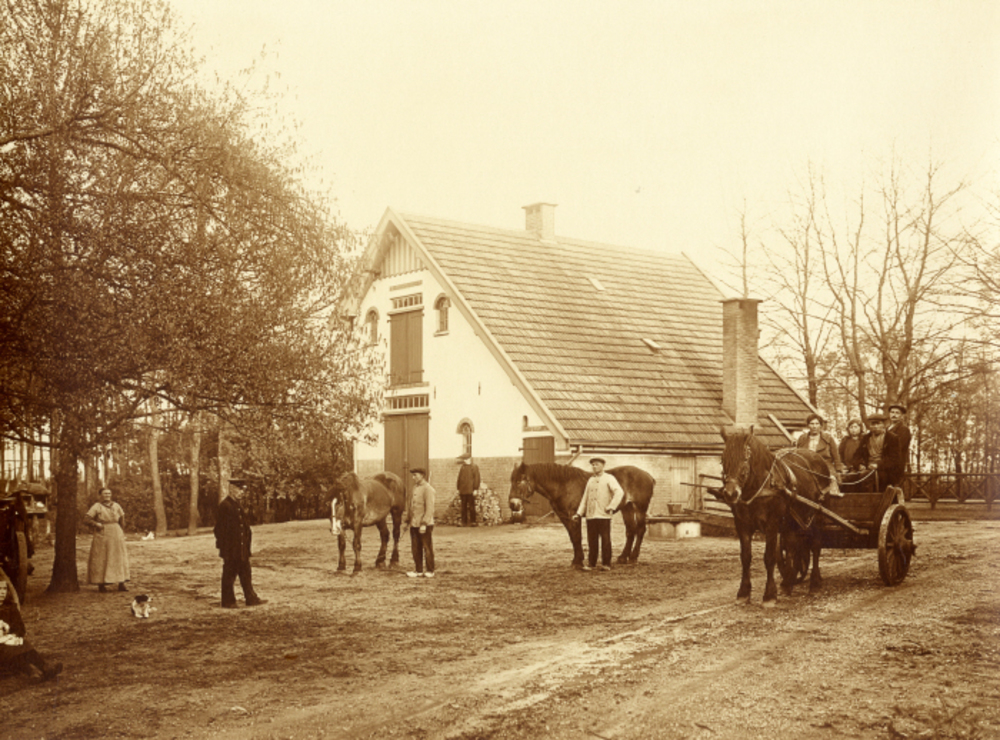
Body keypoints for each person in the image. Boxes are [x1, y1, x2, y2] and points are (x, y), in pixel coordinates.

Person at [214, 479, 267, 609]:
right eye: (239, 490)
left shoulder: (237, 505)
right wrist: (226, 548)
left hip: (241, 548)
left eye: (243, 490)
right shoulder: (225, 506)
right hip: (232, 549)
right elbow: (220, 530)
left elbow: (243, 528)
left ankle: (251, 598)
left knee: (246, 573)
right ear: (232, 489)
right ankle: (228, 601)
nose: (242, 493)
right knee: (229, 575)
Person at [1, 571, 62, 682]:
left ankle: (44, 668)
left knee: (21, 643)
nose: (2, 592)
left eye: (4, 589)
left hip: (9, 639)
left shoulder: (10, 607)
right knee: (10, 649)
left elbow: (20, 628)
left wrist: (13, 636)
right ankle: (32, 672)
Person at [572, 458, 625, 572]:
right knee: (592, 541)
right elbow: (585, 498)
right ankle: (592, 564)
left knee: (605, 540)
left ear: (603, 465)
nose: (594, 467)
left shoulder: (609, 478)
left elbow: (619, 492)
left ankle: (606, 564)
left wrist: (612, 506)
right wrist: (579, 513)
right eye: (593, 465)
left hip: (603, 515)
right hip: (591, 516)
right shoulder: (590, 480)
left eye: (596, 464)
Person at [84, 487, 130, 593]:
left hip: (116, 533)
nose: (107, 495)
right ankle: (101, 584)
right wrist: (96, 524)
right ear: (100, 495)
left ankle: (121, 583)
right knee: (101, 558)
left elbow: (122, 518)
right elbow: (86, 519)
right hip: (102, 533)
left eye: (109, 493)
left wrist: (121, 531)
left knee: (119, 557)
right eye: (105, 494)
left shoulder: (116, 505)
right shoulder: (97, 506)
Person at [796, 413, 844, 496]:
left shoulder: (828, 438)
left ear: (821, 425)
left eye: (817, 424)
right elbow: (797, 455)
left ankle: (833, 499)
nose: (814, 426)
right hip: (806, 467)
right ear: (808, 425)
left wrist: (838, 471)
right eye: (812, 424)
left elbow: (836, 457)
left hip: (825, 466)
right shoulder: (802, 438)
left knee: (831, 481)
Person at [855, 413, 905, 489]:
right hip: (867, 468)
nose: (875, 426)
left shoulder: (892, 438)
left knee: (877, 478)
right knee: (853, 478)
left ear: (884, 424)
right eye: (873, 424)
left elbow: (894, 459)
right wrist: (860, 464)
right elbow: (857, 455)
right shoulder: (865, 438)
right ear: (869, 426)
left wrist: (878, 465)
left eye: (878, 424)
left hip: (885, 471)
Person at [406, 468, 436, 578]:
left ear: (422, 475)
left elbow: (430, 508)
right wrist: (408, 520)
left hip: (425, 525)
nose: (413, 477)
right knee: (415, 548)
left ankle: (430, 570)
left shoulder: (428, 489)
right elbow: (411, 506)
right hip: (414, 524)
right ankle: (418, 570)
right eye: (413, 475)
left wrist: (424, 523)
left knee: (427, 548)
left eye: (415, 475)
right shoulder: (415, 488)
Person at [456, 454, 481, 527]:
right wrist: (458, 488)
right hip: (463, 490)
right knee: (463, 507)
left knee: (471, 506)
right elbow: (459, 478)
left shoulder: (474, 467)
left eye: (465, 459)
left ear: (469, 459)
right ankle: (464, 522)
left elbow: (477, 478)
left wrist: (475, 489)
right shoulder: (462, 467)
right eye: (464, 459)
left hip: (471, 490)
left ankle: (473, 521)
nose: (464, 461)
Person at [887, 404, 912, 474]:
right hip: (884, 463)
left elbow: (898, 447)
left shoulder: (904, 430)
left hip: (895, 465)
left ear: (901, 416)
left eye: (897, 413)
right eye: (892, 412)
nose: (894, 415)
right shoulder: (886, 428)